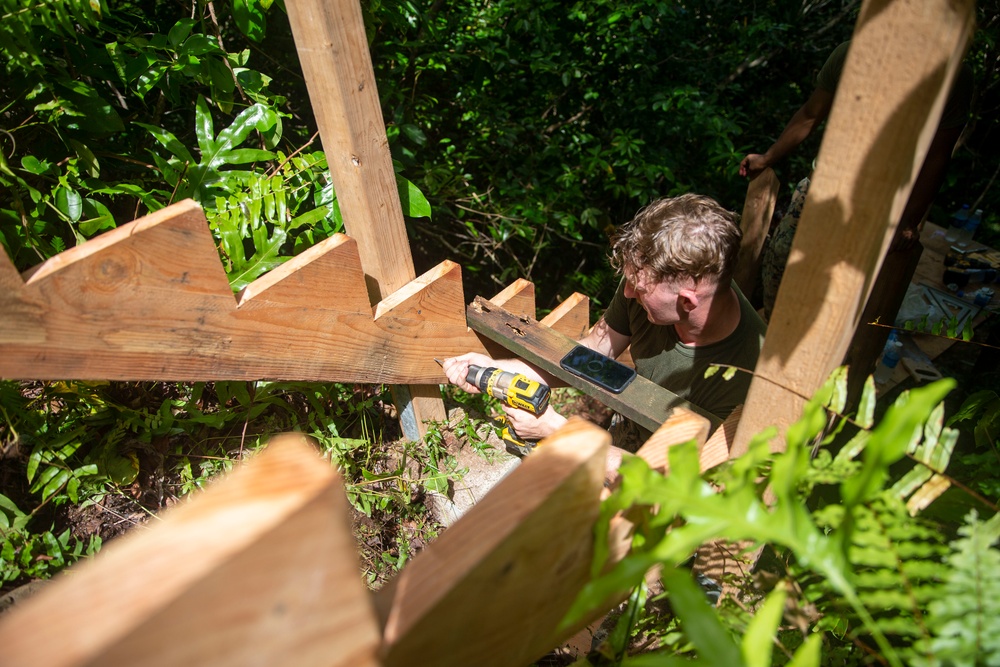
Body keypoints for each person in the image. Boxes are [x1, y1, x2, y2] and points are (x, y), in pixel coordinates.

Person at [443, 194, 767, 465]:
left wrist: (557, 428)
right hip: (626, 434)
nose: (627, 293)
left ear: (687, 302)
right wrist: (498, 368)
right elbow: (591, 356)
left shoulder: (747, 382)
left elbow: (670, 483)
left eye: (638, 288)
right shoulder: (643, 287)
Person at [740, 40, 974, 318]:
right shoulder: (852, 52)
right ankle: (773, 329)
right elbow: (810, 113)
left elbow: (938, 154)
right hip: (821, 189)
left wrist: (910, 219)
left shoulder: (951, 74)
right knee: (781, 262)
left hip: (882, 208)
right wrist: (768, 157)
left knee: (843, 294)